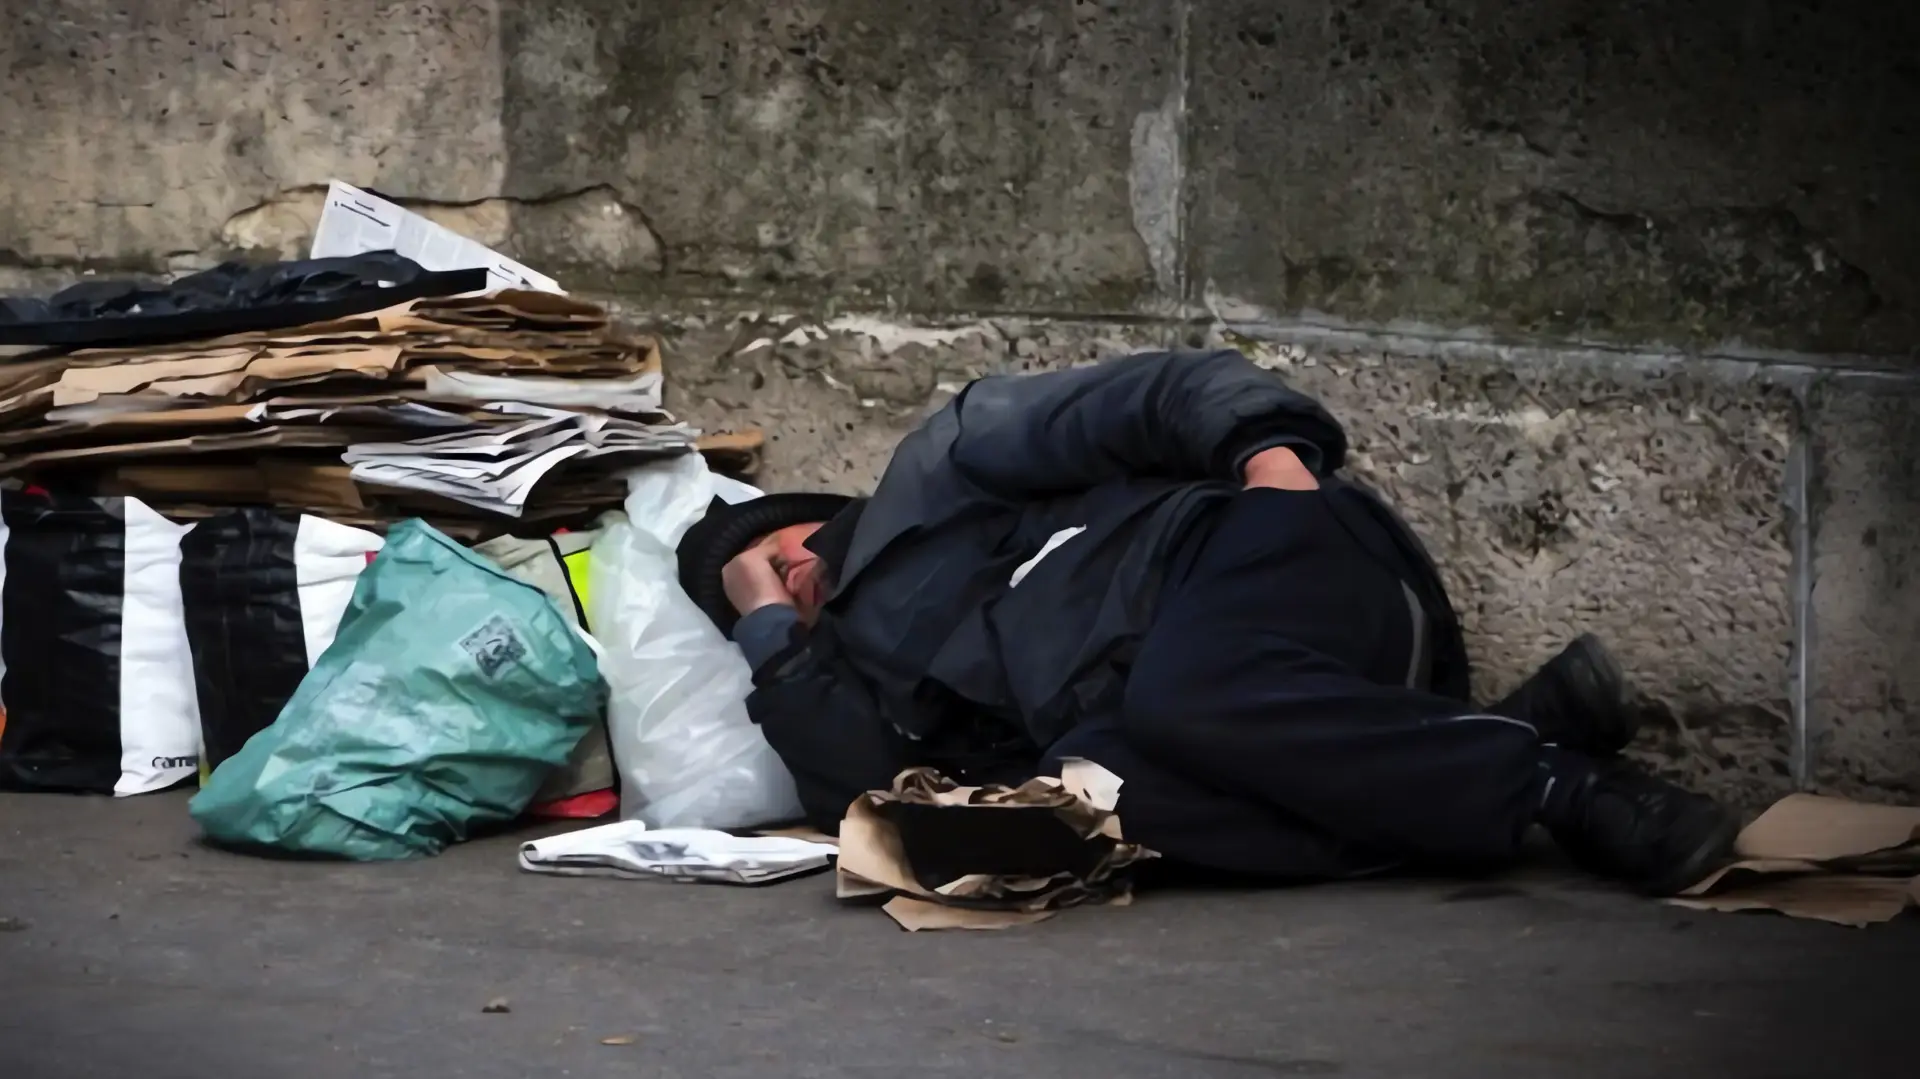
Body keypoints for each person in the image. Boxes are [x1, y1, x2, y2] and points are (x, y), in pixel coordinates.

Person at [676, 349, 1738, 896]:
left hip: (1256, 556)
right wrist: (770, 636)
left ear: (815, 514)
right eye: (755, 585)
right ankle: (1500, 744)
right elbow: (860, 796)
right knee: (1081, 811)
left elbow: (1149, 393)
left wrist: (1270, 455)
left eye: (776, 546)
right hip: (1242, 713)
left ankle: (1560, 787)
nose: (786, 572)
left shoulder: (939, 470)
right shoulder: (854, 670)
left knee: (1182, 690)